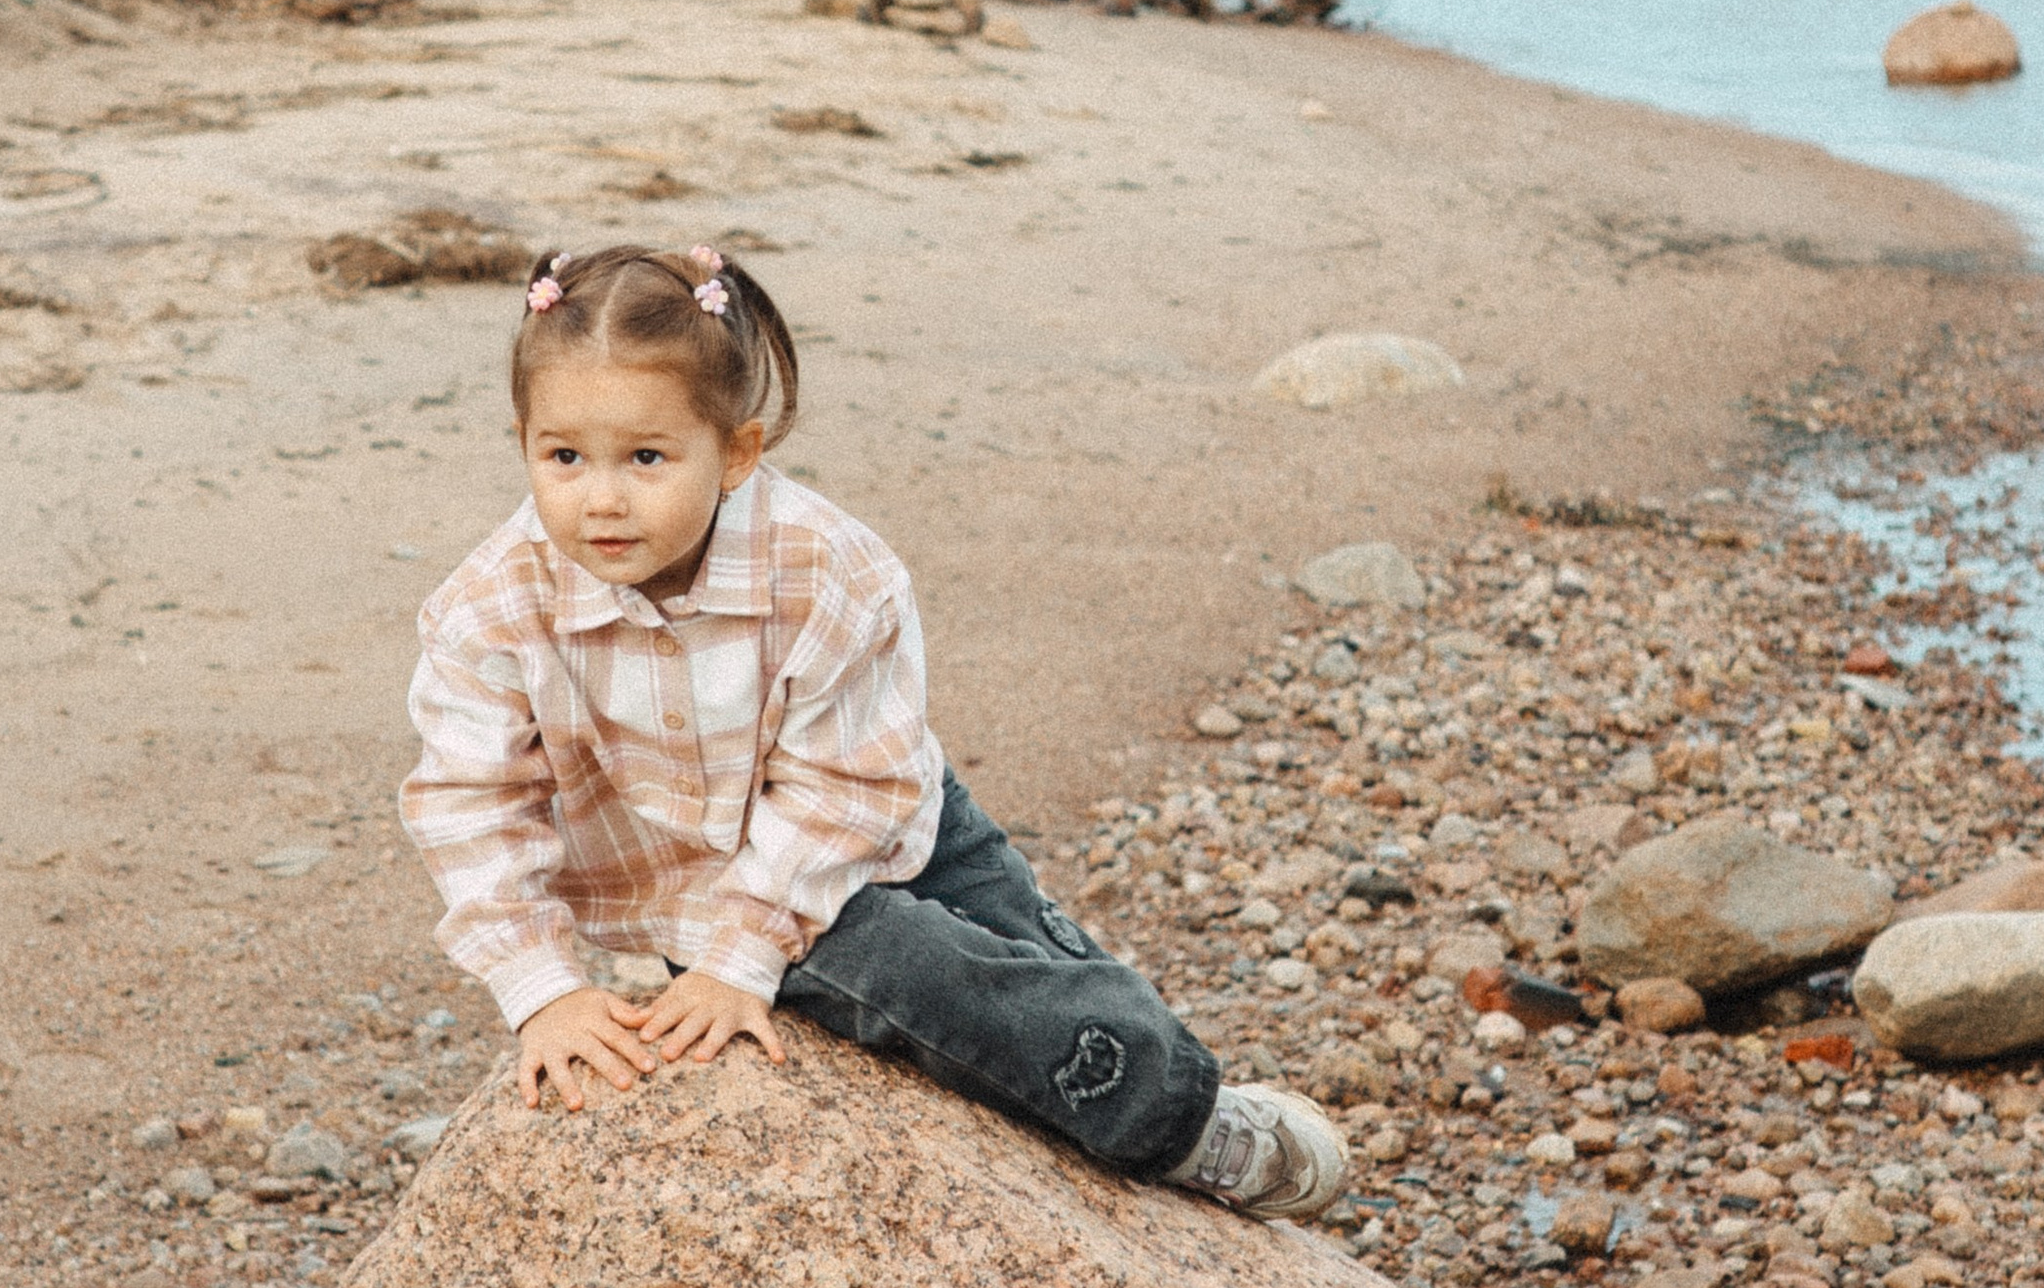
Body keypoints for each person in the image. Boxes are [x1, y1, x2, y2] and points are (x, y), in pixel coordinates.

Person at [399, 239, 1347, 1220]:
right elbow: (473, 805)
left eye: (646, 458)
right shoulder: (490, 610)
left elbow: (845, 784)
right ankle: (1185, 1128)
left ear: (735, 452)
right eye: (563, 457)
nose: (601, 497)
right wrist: (545, 985)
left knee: (1038, 966)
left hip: (895, 815)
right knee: (910, 968)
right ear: (522, 441)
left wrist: (747, 949)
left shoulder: (827, 569)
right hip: (713, 886)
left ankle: (1187, 1085)